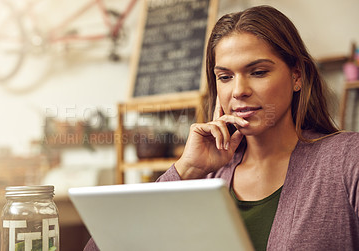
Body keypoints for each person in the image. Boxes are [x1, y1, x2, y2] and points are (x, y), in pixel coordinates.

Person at [84, 5, 359, 251]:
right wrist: (186, 170)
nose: (238, 91)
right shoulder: (205, 175)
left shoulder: (345, 158)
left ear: (296, 75)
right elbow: (100, 246)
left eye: (258, 72)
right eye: (225, 77)